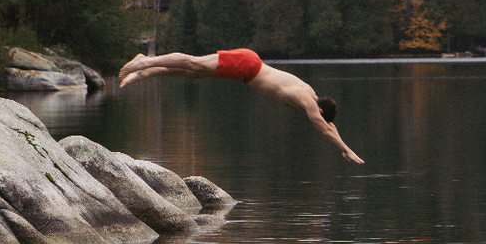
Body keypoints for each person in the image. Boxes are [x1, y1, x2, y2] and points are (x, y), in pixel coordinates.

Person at [115, 47, 364, 164]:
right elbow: (323, 127)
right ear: (320, 110)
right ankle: (144, 62)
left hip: (246, 71)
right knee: (194, 64)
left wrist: (344, 145)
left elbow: (328, 126)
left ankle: (147, 73)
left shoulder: (311, 94)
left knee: (194, 74)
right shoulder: (307, 100)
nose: (316, 118)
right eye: (320, 116)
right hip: (247, 65)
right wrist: (343, 149)